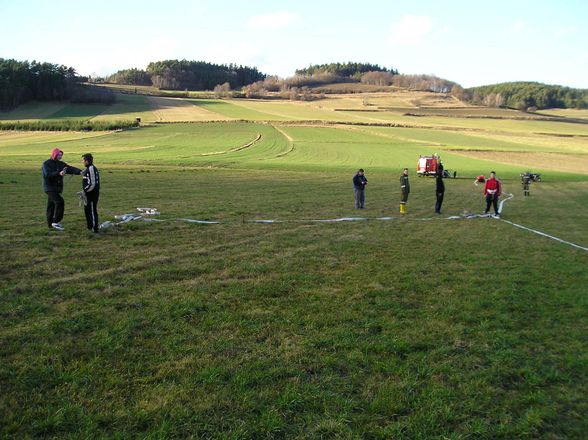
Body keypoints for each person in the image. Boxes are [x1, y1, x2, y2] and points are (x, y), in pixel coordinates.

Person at [42, 148, 82, 231]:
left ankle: (50, 225)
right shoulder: (46, 164)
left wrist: (80, 171)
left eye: (61, 155)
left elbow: (70, 168)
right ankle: (56, 222)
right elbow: (47, 174)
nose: (60, 156)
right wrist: (58, 173)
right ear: (54, 154)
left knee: (51, 205)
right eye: (58, 155)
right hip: (49, 188)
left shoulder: (61, 164)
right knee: (59, 202)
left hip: (57, 188)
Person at [81, 153, 100, 232]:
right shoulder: (87, 168)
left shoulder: (91, 169)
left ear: (87, 161)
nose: (82, 162)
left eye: (83, 160)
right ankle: (89, 227)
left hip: (91, 194)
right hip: (88, 194)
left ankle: (94, 228)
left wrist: (85, 191)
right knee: (87, 210)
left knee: (91, 210)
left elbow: (92, 183)